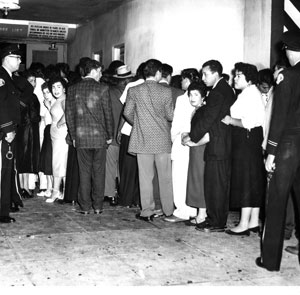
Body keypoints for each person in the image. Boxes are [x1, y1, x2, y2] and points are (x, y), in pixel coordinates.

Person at [256, 30, 300, 271]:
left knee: (276, 202)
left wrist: (271, 152)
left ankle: (270, 260)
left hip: (288, 146)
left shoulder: (288, 76)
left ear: (289, 50)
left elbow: (280, 117)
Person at [183, 60, 235, 233]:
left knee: (217, 185)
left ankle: (217, 222)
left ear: (215, 73)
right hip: (220, 143)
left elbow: (208, 119)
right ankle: (214, 219)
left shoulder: (217, 92)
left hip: (218, 145)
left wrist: (192, 137)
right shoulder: (223, 89)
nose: (203, 78)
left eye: (205, 74)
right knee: (215, 184)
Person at [124, 59, 174, 221]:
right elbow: (170, 115)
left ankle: (147, 211)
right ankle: (168, 210)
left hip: (143, 140)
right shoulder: (166, 92)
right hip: (162, 140)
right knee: (165, 178)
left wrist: (138, 123)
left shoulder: (134, 90)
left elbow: (127, 112)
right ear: (158, 73)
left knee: (145, 178)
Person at [222, 62, 265, 236]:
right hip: (251, 140)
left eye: (239, 75)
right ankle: (254, 221)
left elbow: (249, 122)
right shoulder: (249, 93)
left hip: (246, 139)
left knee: (245, 180)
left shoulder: (249, 94)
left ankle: (244, 224)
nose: (235, 78)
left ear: (249, 79)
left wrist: (230, 121)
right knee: (252, 179)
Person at [66, 59, 114, 215]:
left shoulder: (72, 89)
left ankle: (85, 207)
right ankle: (98, 206)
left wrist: (73, 136)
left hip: (81, 137)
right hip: (99, 138)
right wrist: (109, 135)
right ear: (93, 71)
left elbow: (69, 115)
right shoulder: (103, 88)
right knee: (99, 172)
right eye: (99, 71)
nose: (101, 74)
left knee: (84, 172)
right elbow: (108, 114)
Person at [164, 69, 200, 223]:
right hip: (197, 141)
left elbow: (177, 123)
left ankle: (182, 211)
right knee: (191, 176)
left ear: (187, 80)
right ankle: (192, 210)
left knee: (179, 177)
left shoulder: (182, 98)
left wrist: (172, 139)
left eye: (183, 80)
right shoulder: (201, 96)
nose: (181, 83)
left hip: (181, 140)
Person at [117, 62, 145, 208]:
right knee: (141, 168)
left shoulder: (131, 86)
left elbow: (125, 111)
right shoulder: (153, 87)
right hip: (145, 134)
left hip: (129, 131)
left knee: (126, 168)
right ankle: (137, 199)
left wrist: (119, 130)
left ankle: (126, 199)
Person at [104, 64, 133, 206]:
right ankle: (124, 193)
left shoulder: (109, 91)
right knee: (124, 167)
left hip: (112, 133)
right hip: (129, 135)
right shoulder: (135, 91)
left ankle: (110, 194)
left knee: (110, 165)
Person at [0, 44, 21, 223]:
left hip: (9, 131)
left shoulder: (8, 77)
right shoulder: (2, 77)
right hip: (4, 133)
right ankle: (2, 212)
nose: (20, 61)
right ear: (7, 58)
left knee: (7, 170)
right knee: (3, 171)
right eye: (17, 58)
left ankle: (4, 210)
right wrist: (7, 129)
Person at [183, 81, 209, 225]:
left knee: (200, 180)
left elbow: (208, 134)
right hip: (196, 150)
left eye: (196, 94)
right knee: (196, 179)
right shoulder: (197, 110)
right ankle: (201, 213)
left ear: (203, 96)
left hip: (201, 150)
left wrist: (194, 142)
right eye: (190, 94)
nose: (192, 98)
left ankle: (202, 215)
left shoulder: (204, 111)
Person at [46, 77, 69, 203]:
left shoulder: (64, 100)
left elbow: (68, 114)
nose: (55, 90)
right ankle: (63, 191)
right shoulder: (57, 100)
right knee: (60, 164)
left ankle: (56, 192)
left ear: (64, 88)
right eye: (53, 87)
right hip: (55, 135)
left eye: (59, 87)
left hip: (61, 135)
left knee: (58, 164)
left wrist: (60, 122)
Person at [37, 82, 55, 199]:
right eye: (44, 93)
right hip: (47, 130)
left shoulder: (55, 103)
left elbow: (55, 117)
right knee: (45, 161)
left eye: (48, 92)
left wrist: (49, 106)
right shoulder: (46, 103)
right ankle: (48, 187)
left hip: (53, 130)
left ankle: (52, 188)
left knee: (50, 161)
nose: (46, 95)